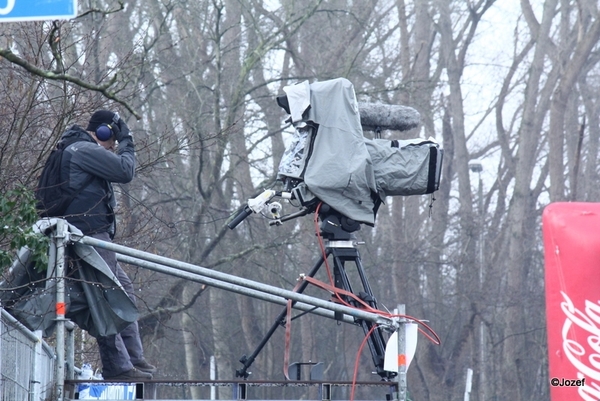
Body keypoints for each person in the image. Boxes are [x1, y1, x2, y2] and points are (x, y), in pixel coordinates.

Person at [59, 110, 156, 380]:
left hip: (90, 235)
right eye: (111, 140)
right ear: (101, 132)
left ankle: (133, 359)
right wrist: (127, 140)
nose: (113, 146)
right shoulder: (82, 149)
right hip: (86, 235)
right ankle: (118, 367)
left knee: (121, 290)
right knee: (105, 298)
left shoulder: (79, 148)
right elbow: (125, 171)